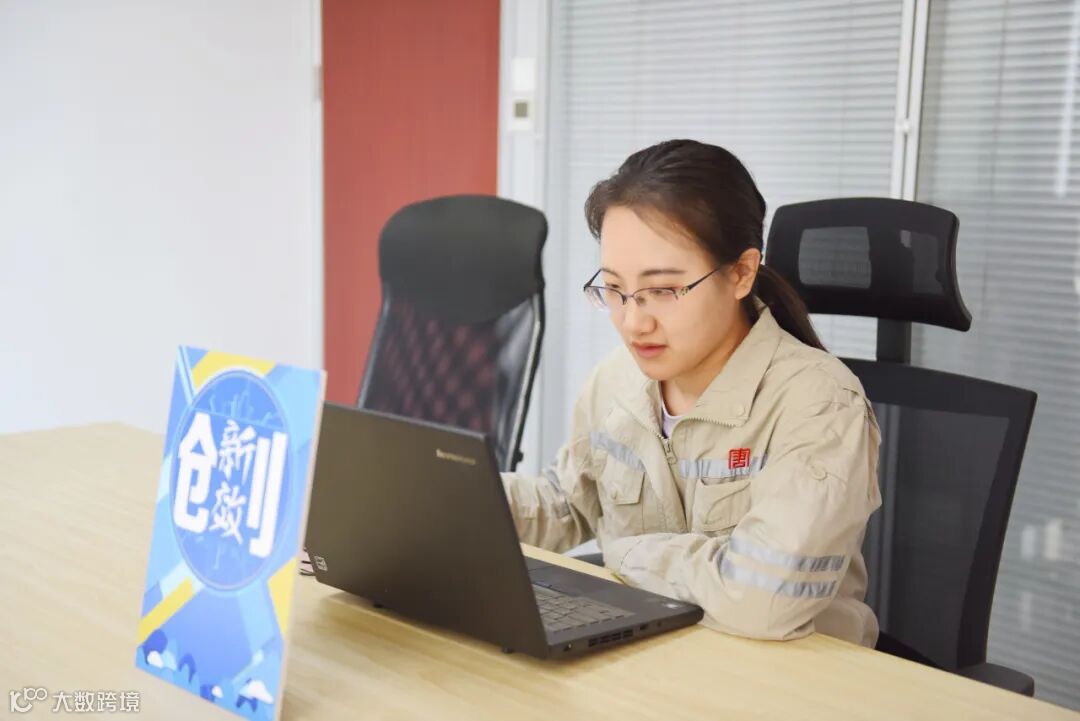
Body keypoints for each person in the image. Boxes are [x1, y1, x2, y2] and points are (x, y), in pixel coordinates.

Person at [500, 139, 883, 647]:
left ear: (741, 273)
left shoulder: (820, 402)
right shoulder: (616, 380)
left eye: (663, 290)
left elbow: (763, 597)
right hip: (656, 658)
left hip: (787, 675)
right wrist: (456, 499)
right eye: (614, 289)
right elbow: (567, 504)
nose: (633, 322)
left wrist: (627, 553)